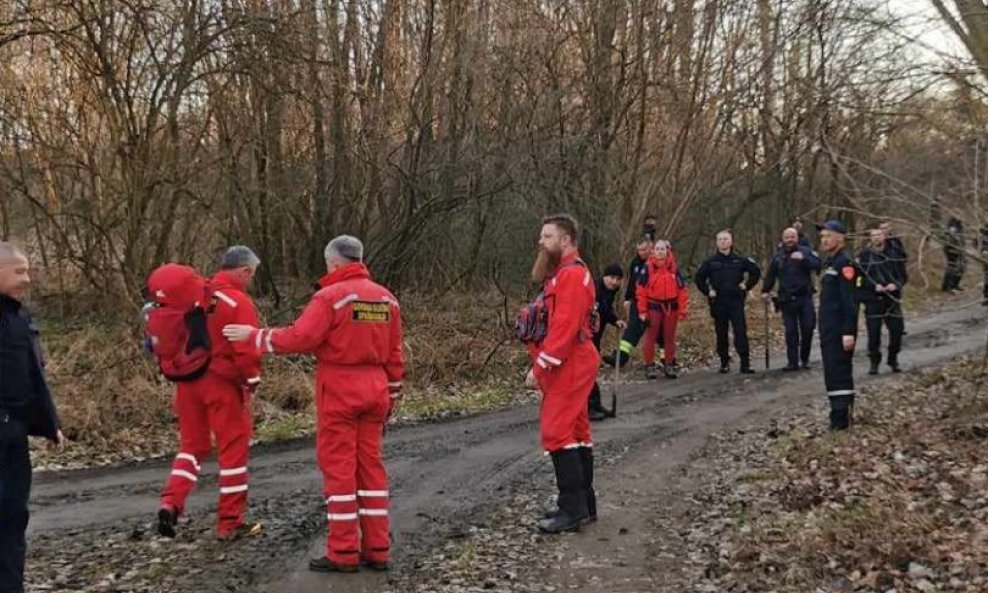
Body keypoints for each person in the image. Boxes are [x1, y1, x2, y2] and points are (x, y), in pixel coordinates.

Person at [223, 236, 404, 573]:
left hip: (339, 388)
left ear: (332, 263)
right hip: (376, 388)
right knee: (371, 469)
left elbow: (300, 337)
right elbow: (395, 356)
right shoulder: (387, 299)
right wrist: (391, 395)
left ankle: (343, 552)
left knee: (339, 470)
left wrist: (255, 336)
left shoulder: (330, 297)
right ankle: (378, 549)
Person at [156, 246, 263, 540]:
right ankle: (230, 522)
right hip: (223, 385)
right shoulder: (236, 301)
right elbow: (246, 349)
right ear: (243, 270)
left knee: (191, 447)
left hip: (187, 382)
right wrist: (253, 380)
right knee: (232, 451)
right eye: (251, 274)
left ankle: (171, 502)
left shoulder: (195, 296)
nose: (251, 280)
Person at [522, 214, 599, 534]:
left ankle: (573, 508)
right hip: (575, 358)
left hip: (570, 360)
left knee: (556, 431)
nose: (541, 241)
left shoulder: (570, 276)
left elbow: (564, 327)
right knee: (577, 429)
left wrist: (541, 365)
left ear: (565, 240)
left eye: (548, 236)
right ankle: (584, 502)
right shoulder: (564, 274)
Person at [0, 242, 65, 593]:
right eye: (19, 271)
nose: (27, 279)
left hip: (14, 436)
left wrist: (50, 424)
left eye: (27, 270)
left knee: (12, 518)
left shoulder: (19, 318)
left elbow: (33, 376)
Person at [694, 230, 762, 374]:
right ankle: (724, 362)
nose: (723, 242)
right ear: (716, 242)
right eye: (720, 239)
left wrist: (746, 285)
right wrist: (708, 291)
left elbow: (755, 272)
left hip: (736, 300)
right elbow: (699, 279)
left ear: (731, 242)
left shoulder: (739, 259)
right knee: (721, 333)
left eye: (725, 239)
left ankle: (745, 363)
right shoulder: (710, 262)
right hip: (718, 302)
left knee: (740, 331)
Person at [816, 221, 859, 430]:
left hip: (839, 329)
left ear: (840, 238)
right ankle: (839, 415)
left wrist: (849, 331)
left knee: (839, 371)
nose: (824, 240)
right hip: (828, 328)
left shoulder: (845, 264)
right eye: (822, 236)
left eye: (828, 236)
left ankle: (841, 419)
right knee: (831, 372)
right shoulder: (830, 262)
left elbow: (849, 301)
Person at [761, 228, 821, 371]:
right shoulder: (778, 256)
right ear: (783, 239)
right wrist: (765, 291)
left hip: (805, 297)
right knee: (790, 332)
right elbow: (770, 275)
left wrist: (804, 259)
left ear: (797, 238)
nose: (790, 240)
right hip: (786, 299)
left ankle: (804, 359)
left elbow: (818, 264)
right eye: (787, 237)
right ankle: (792, 362)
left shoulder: (806, 251)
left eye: (792, 237)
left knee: (808, 328)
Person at [636, 241, 688, 379]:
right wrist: (642, 311)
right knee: (650, 338)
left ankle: (669, 364)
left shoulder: (674, 268)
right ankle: (649, 365)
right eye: (657, 249)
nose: (660, 252)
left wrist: (683, 309)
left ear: (667, 250)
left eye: (662, 249)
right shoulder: (647, 268)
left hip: (671, 307)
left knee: (669, 338)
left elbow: (682, 289)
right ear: (653, 251)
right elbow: (640, 291)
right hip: (654, 306)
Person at [857, 227, 906, 374]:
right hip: (873, 300)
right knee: (873, 334)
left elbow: (903, 276)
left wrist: (895, 285)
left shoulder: (894, 254)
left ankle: (893, 358)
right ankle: (874, 362)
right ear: (870, 238)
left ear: (884, 236)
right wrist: (872, 286)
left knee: (897, 331)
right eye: (873, 235)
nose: (876, 238)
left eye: (879, 235)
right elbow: (859, 279)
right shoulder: (864, 256)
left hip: (892, 299)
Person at [603, 237, 653, 368]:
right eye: (639, 250)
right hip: (637, 301)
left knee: (658, 332)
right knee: (632, 328)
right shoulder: (636, 263)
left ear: (650, 248)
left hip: (654, 302)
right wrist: (627, 298)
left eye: (644, 249)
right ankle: (620, 357)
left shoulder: (656, 262)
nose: (641, 252)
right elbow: (632, 282)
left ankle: (667, 360)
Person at [588, 264, 625, 420]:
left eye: (617, 279)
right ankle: (589, 407)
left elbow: (606, 310)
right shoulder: (593, 290)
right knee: (587, 371)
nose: (614, 282)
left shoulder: (609, 292)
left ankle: (595, 405)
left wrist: (616, 320)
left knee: (591, 371)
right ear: (604, 276)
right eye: (611, 278)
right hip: (585, 337)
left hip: (595, 337)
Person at [942, 217, 966, 293]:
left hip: (959, 249)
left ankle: (955, 285)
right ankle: (947, 286)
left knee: (961, 267)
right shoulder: (952, 228)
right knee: (952, 267)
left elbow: (961, 239)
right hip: (951, 250)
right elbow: (950, 240)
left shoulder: (959, 226)